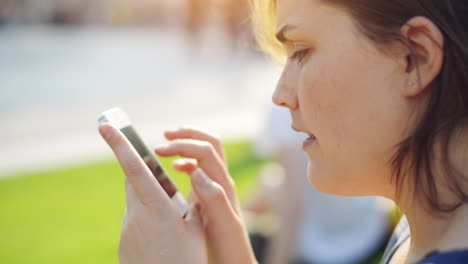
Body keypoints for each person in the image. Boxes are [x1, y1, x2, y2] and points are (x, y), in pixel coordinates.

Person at [98, 0, 468, 263]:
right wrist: (231, 252)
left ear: (413, 58)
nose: (280, 95)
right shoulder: (421, 233)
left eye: (302, 51)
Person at [248, 104, 391, 264]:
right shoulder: (355, 94)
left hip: (320, 252)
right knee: (272, 180)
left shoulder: (283, 109)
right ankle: (246, 213)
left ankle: (244, 215)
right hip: (371, 235)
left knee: (270, 182)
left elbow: (295, 203)